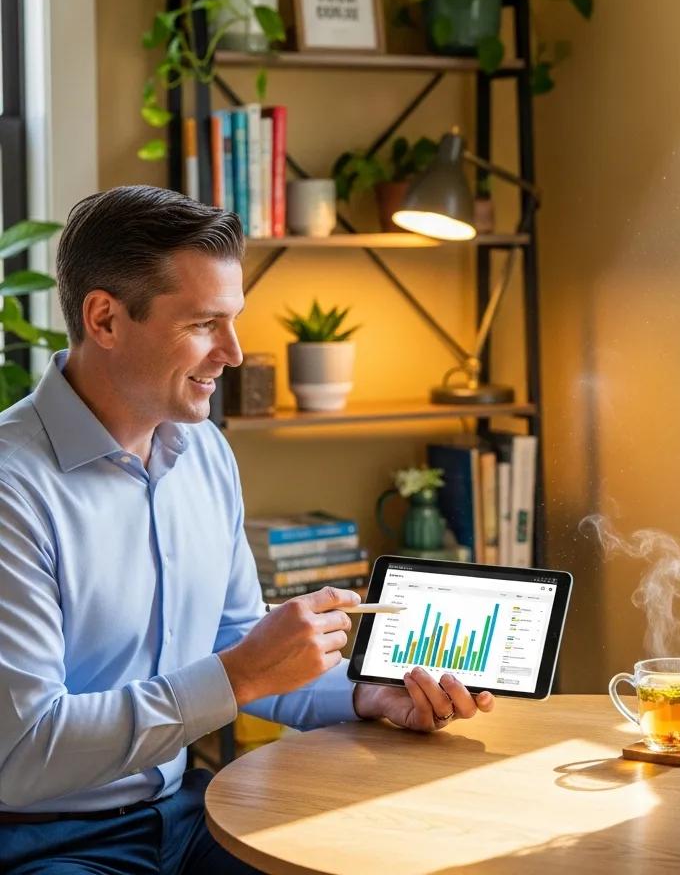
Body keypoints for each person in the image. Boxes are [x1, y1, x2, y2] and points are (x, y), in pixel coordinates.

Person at [0, 186, 495, 874]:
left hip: (184, 812)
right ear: (105, 319)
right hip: (41, 840)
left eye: (233, 321)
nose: (233, 353)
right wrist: (239, 673)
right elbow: (22, 752)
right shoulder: (11, 488)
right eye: (205, 323)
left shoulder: (203, 454)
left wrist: (364, 696)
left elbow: (237, 645)